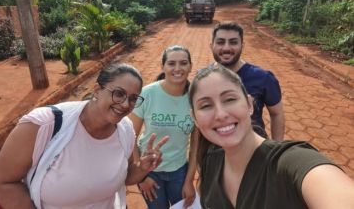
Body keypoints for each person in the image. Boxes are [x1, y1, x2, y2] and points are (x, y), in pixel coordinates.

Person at [0, 63, 169, 209]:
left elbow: (124, 176)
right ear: (97, 90)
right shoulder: (44, 125)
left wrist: (142, 169)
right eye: (118, 93)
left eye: (133, 99)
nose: (125, 104)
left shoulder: (125, 130)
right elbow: (3, 182)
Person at [189, 64, 354, 209]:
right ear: (195, 118)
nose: (220, 114)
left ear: (249, 104)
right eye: (206, 105)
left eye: (230, 99)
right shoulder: (210, 162)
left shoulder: (289, 163)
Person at [129, 45, 197, 208]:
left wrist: (189, 181)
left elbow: (196, 146)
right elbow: (130, 135)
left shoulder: (196, 97)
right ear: (163, 66)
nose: (178, 68)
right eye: (171, 63)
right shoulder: (147, 94)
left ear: (190, 67)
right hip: (149, 170)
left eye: (183, 63)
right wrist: (141, 176)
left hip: (179, 171)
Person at [210, 21, 284, 140]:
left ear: (242, 46)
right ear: (211, 46)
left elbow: (277, 113)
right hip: (215, 150)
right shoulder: (203, 79)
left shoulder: (263, 78)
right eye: (220, 42)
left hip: (253, 149)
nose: (226, 48)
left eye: (233, 42)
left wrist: (277, 150)